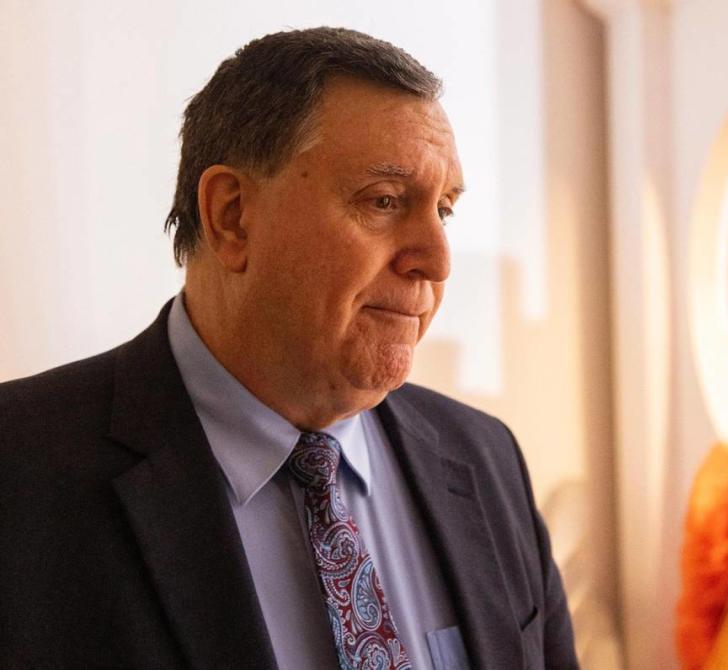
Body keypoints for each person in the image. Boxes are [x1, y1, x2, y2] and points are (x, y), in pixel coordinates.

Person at [0, 27, 577, 670]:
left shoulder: (485, 456)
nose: (437, 261)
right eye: (384, 201)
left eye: (443, 210)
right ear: (232, 216)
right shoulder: (20, 469)